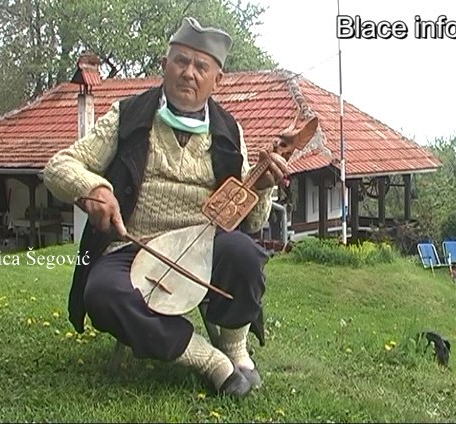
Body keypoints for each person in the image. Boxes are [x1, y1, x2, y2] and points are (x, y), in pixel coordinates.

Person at [42, 17, 288, 398]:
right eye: (181, 61)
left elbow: (251, 222)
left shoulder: (230, 130)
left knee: (245, 253)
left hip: (204, 247)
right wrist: (94, 188)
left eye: (201, 66)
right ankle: (210, 360)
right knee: (102, 293)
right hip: (130, 246)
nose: (189, 73)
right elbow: (58, 166)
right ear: (164, 65)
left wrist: (263, 188)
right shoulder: (127, 115)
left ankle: (235, 348)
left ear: (217, 80)